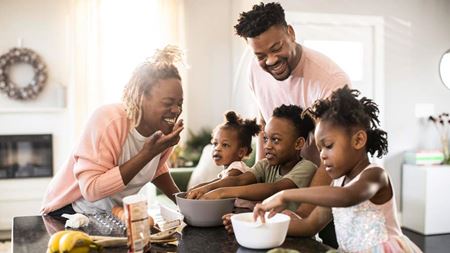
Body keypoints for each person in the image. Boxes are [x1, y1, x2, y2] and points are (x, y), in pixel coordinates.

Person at [234, 2, 351, 246]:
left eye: (277, 48)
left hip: (332, 187)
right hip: (287, 186)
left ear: (291, 32)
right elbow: (264, 125)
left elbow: (333, 156)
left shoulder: (330, 80)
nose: (271, 60)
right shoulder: (255, 72)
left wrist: (301, 216)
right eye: (260, 55)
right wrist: (263, 185)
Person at [253, 86, 422, 253]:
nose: (322, 156)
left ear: (358, 140)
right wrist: (260, 225)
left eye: (328, 146)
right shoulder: (337, 184)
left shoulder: (375, 176)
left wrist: (284, 195)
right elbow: (309, 226)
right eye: (320, 149)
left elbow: (347, 196)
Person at [41, 45, 185, 216]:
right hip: (69, 212)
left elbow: (156, 169)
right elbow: (91, 189)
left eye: (179, 103)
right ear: (141, 97)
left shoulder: (163, 131)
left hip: (110, 215)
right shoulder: (109, 120)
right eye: (168, 103)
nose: (176, 110)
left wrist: (184, 203)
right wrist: (148, 153)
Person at [186, 104, 317, 212]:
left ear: (298, 143)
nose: (267, 146)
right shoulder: (265, 165)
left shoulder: (306, 168)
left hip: (296, 237)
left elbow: (274, 189)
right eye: (265, 139)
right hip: (268, 228)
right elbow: (238, 181)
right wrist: (204, 188)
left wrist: (222, 192)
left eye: (275, 140)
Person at [189, 110, 260, 208]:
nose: (217, 148)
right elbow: (218, 181)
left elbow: (228, 182)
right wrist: (199, 187)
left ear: (241, 152)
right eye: (215, 143)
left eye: (225, 145)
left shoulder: (237, 168)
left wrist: (204, 188)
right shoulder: (228, 170)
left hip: (245, 212)